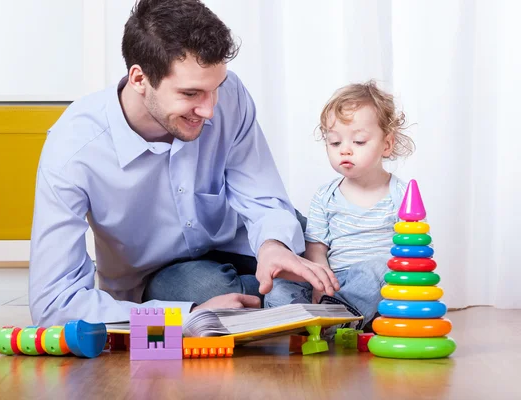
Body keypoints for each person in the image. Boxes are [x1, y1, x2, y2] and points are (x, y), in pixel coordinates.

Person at [28, 0, 337, 327]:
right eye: (190, 94)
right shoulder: (73, 151)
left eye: (215, 88)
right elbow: (53, 303)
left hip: (242, 243)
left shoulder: (227, 94)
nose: (209, 110)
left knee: (327, 234)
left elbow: (262, 197)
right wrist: (184, 317)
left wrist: (274, 245)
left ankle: (288, 291)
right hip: (162, 276)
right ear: (139, 79)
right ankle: (299, 298)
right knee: (206, 290)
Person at [264, 80, 416, 333]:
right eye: (335, 143)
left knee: (382, 267)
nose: (345, 150)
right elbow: (316, 247)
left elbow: (414, 246)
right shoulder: (326, 196)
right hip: (333, 281)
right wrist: (319, 279)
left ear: (386, 145)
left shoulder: (401, 194)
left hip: (376, 284)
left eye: (358, 142)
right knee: (278, 287)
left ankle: (334, 319)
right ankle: (314, 319)